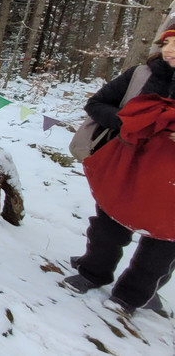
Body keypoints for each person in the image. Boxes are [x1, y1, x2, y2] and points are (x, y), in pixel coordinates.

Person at [63, 28, 175, 317]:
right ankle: (92, 272)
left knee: (162, 243)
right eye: (167, 42)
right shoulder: (140, 74)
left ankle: (132, 296)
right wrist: (128, 123)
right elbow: (96, 104)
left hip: (171, 181)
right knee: (108, 225)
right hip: (126, 164)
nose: (170, 50)